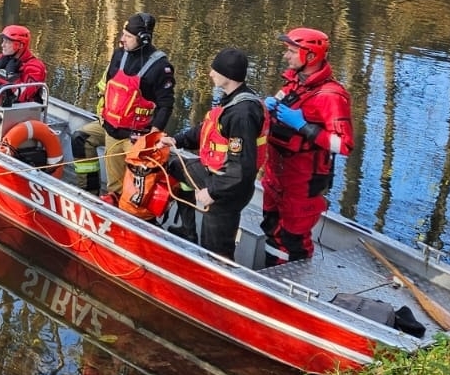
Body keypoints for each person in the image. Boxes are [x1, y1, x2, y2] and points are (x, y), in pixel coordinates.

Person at [261, 26, 354, 264]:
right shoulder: (293, 83)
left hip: (303, 182)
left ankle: (290, 282)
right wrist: (264, 108)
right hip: (277, 175)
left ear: (310, 56)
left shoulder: (331, 96)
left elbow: (344, 145)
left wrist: (304, 127)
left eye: (292, 51)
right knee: (271, 227)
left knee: (293, 238)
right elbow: (273, 111)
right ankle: (268, 276)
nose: (286, 56)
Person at [170, 47, 266, 259]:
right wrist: (175, 140)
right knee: (175, 167)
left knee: (216, 250)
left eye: (215, 70)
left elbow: (241, 167)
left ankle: (218, 276)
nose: (211, 74)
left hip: (228, 190)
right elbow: (205, 129)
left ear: (228, 75)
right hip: (215, 173)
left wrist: (211, 192)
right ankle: (187, 230)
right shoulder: (231, 100)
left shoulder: (242, 114)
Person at [73, 13, 174, 196]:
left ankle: (126, 213)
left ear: (144, 39)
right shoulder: (119, 55)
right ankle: (89, 193)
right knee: (81, 138)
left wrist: (153, 134)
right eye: (123, 34)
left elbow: (166, 105)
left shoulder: (161, 67)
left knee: (129, 189)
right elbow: (110, 86)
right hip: (111, 128)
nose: (122, 39)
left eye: (128, 36)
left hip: (136, 136)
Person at [0, 24, 48, 142]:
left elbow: (21, 96)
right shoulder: (2, 59)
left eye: (7, 42)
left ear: (20, 45)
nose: (2, 45)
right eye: (3, 41)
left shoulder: (35, 67)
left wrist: (11, 76)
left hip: (16, 113)